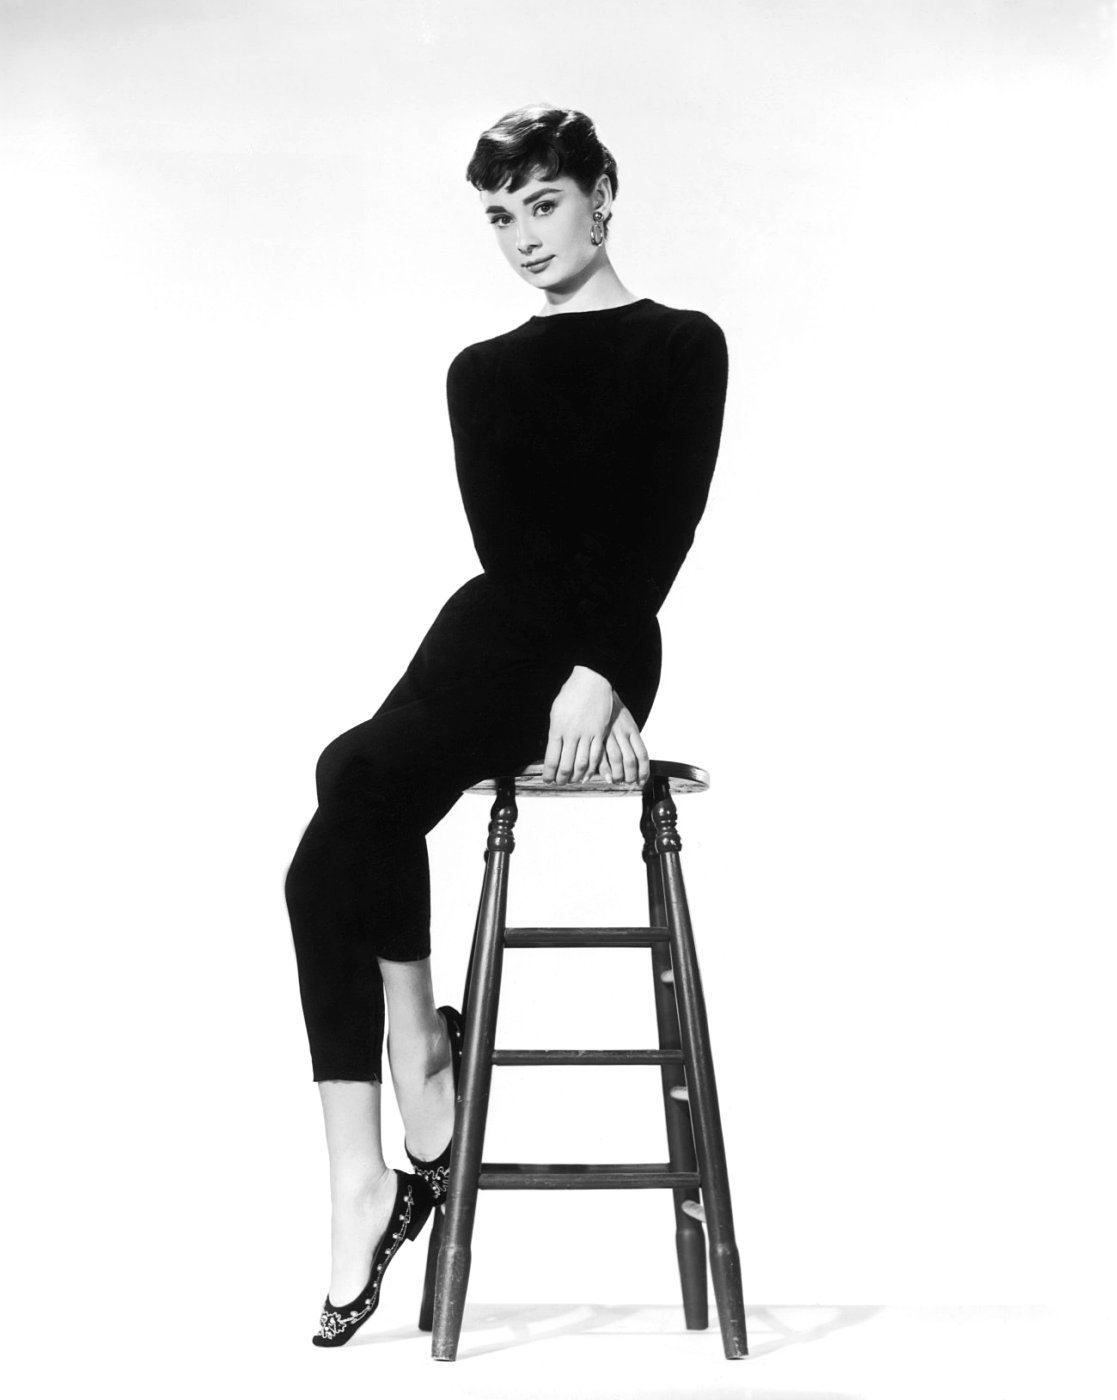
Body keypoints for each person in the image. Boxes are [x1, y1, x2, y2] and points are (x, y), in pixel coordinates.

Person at [284, 102, 729, 1347]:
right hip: (496, 628)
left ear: (601, 196)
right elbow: (514, 553)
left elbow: (662, 526)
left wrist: (602, 670)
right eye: (499, 216)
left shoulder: (683, 343)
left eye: (544, 204)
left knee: (354, 779)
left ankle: (409, 1114)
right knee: (346, 789)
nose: (524, 236)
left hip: (602, 646)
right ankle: (383, 1136)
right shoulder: (480, 372)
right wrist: (553, 652)